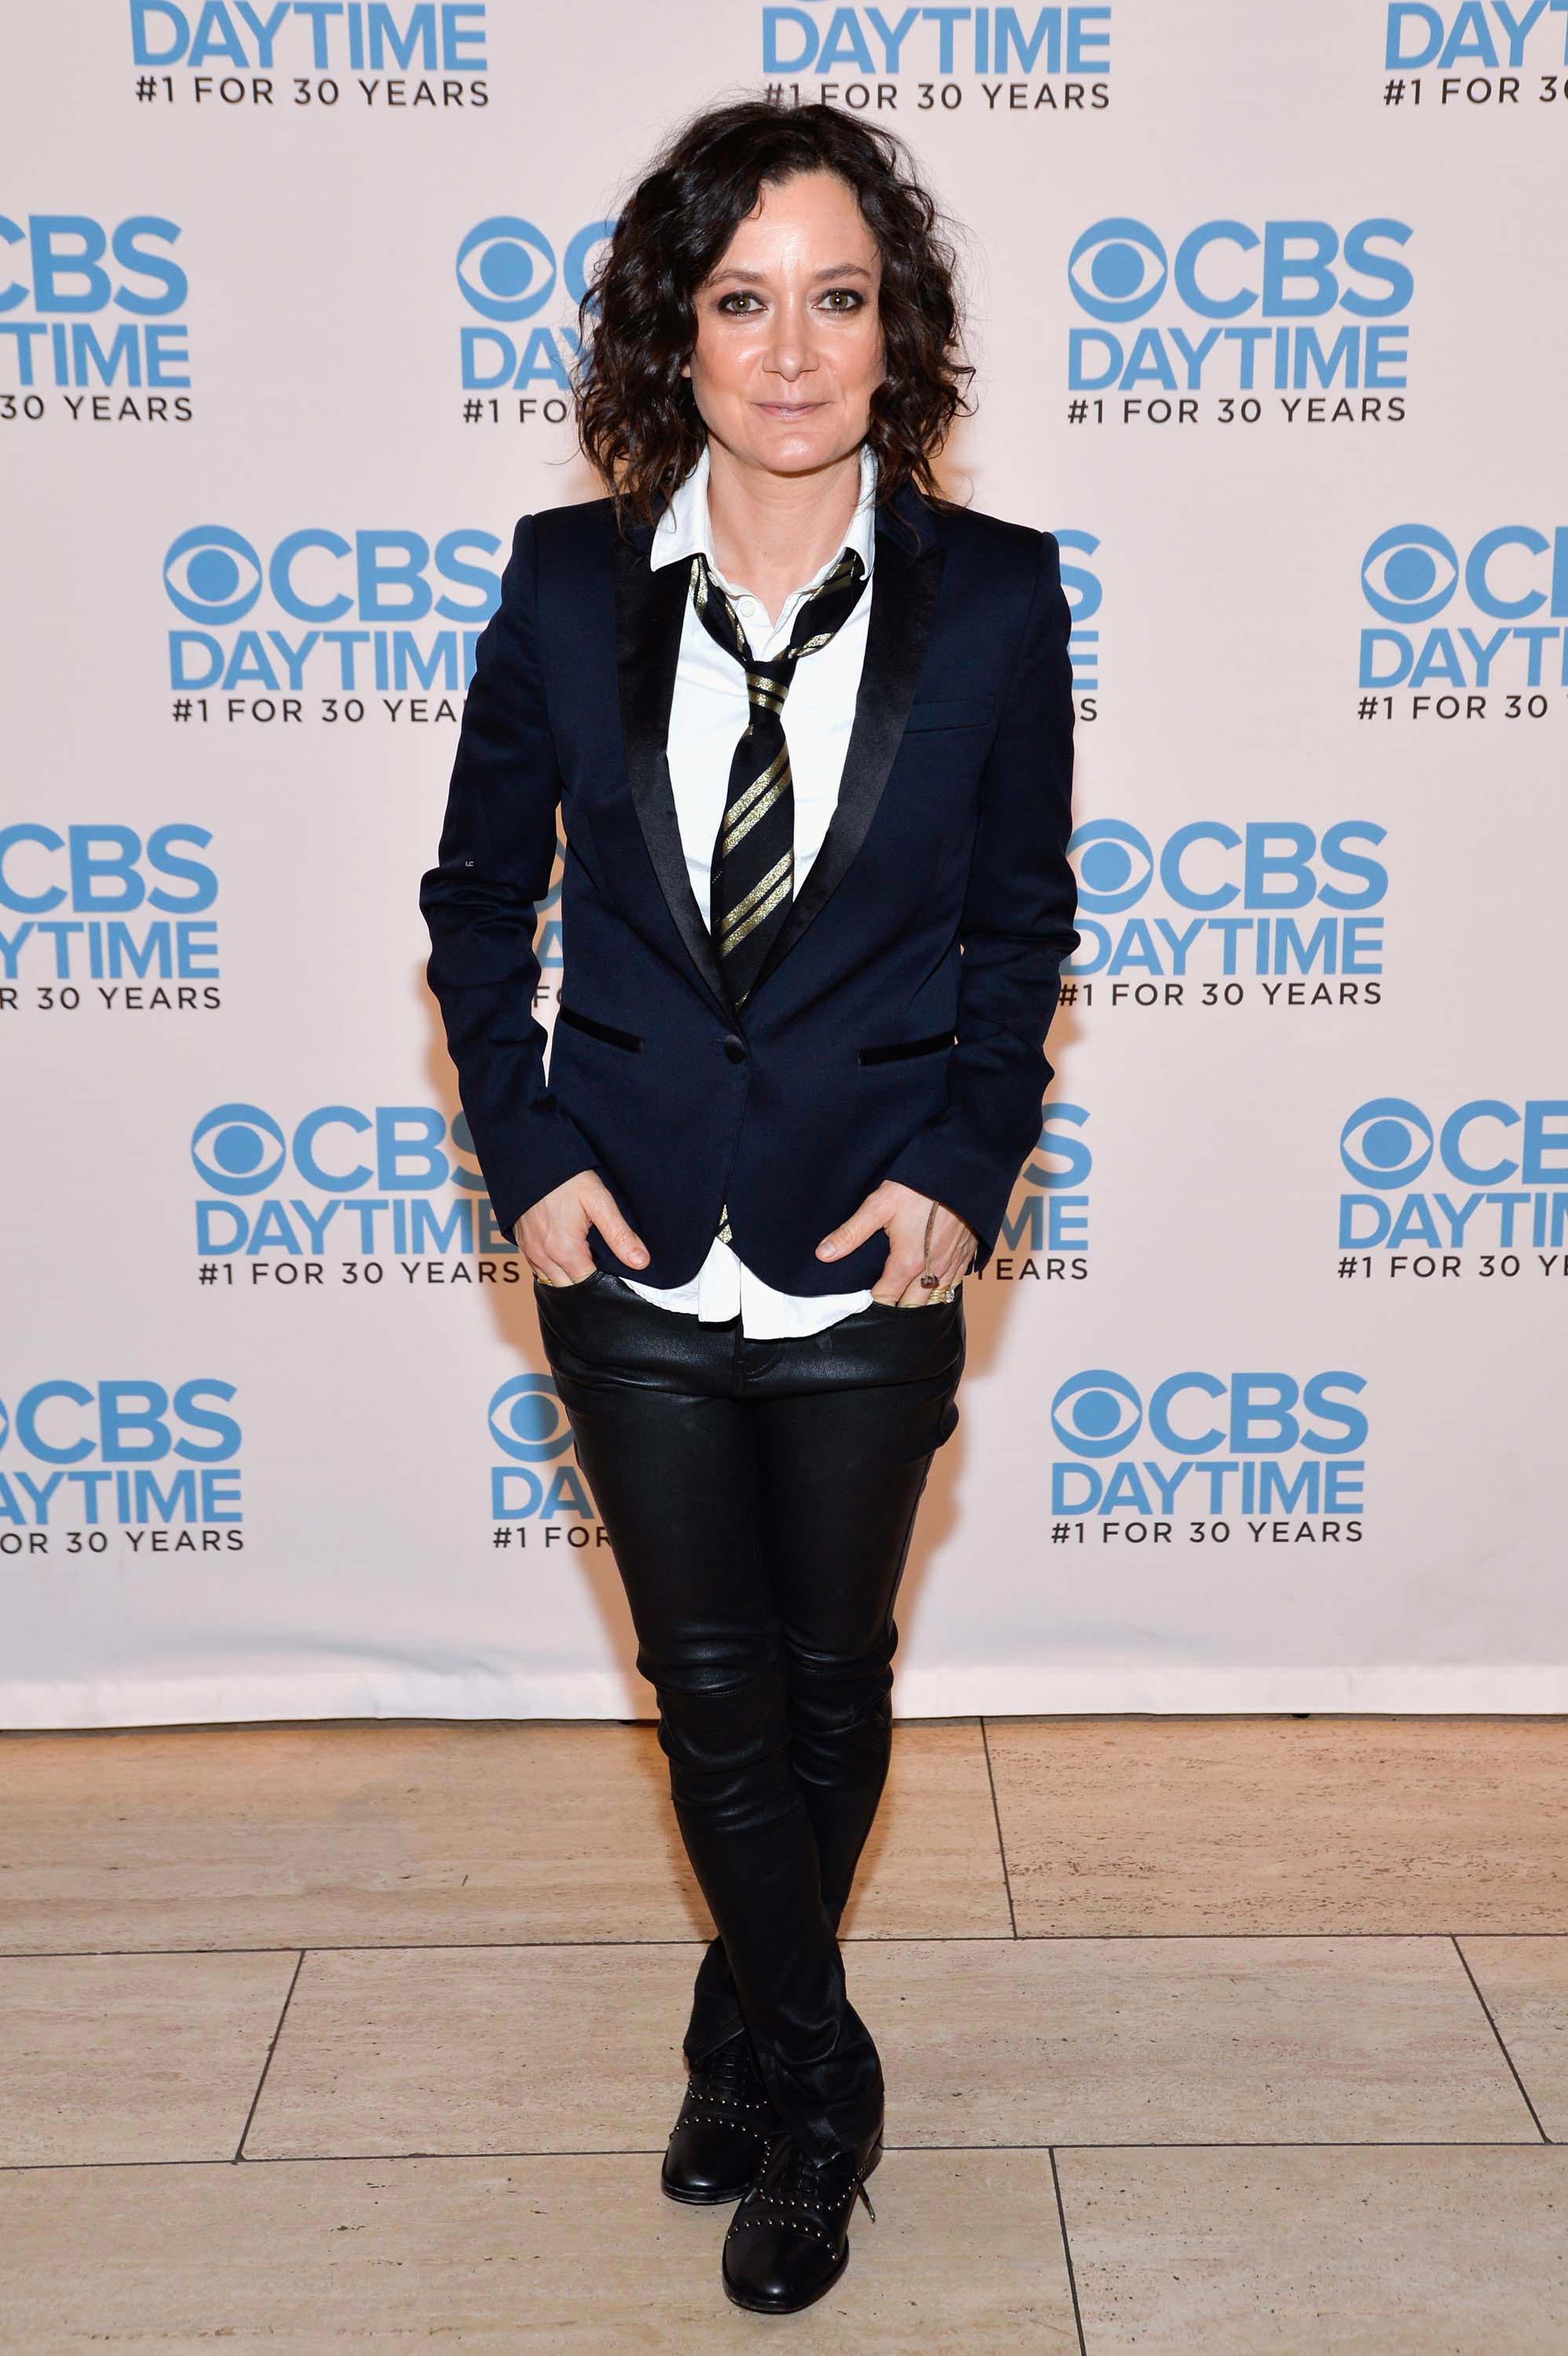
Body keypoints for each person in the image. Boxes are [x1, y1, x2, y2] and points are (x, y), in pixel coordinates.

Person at [418, 94, 1077, 2317]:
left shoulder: (994, 598)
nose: (790, 350)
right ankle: (816, 2089)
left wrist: (965, 1173)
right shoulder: (557, 579)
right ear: (670, 337)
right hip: (625, 1234)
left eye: (838, 297)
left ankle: (733, 2021)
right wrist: (529, 1156)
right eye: (740, 301)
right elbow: (473, 891)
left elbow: (1021, 929)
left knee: (832, 1681)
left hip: (870, 1238)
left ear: (895, 334)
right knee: (710, 1694)